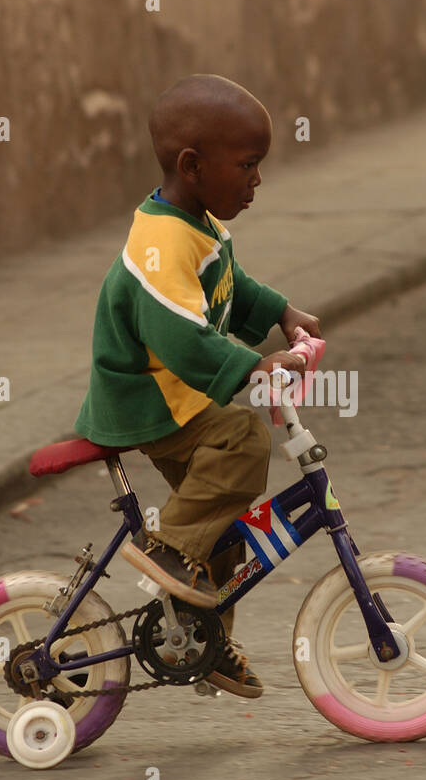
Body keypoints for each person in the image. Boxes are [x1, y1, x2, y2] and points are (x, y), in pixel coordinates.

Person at [74, 74, 320, 697]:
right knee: (241, 441)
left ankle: (200, 640)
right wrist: (253, 367)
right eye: (247, 164)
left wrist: (280, 314)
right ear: (192, 164)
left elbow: (229, 287)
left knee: (228, 530)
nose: (257, 179)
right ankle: (166, 550)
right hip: (149, 401)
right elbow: (183, 336)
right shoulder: (159, 242)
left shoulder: (199, 224)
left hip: (179, 399)